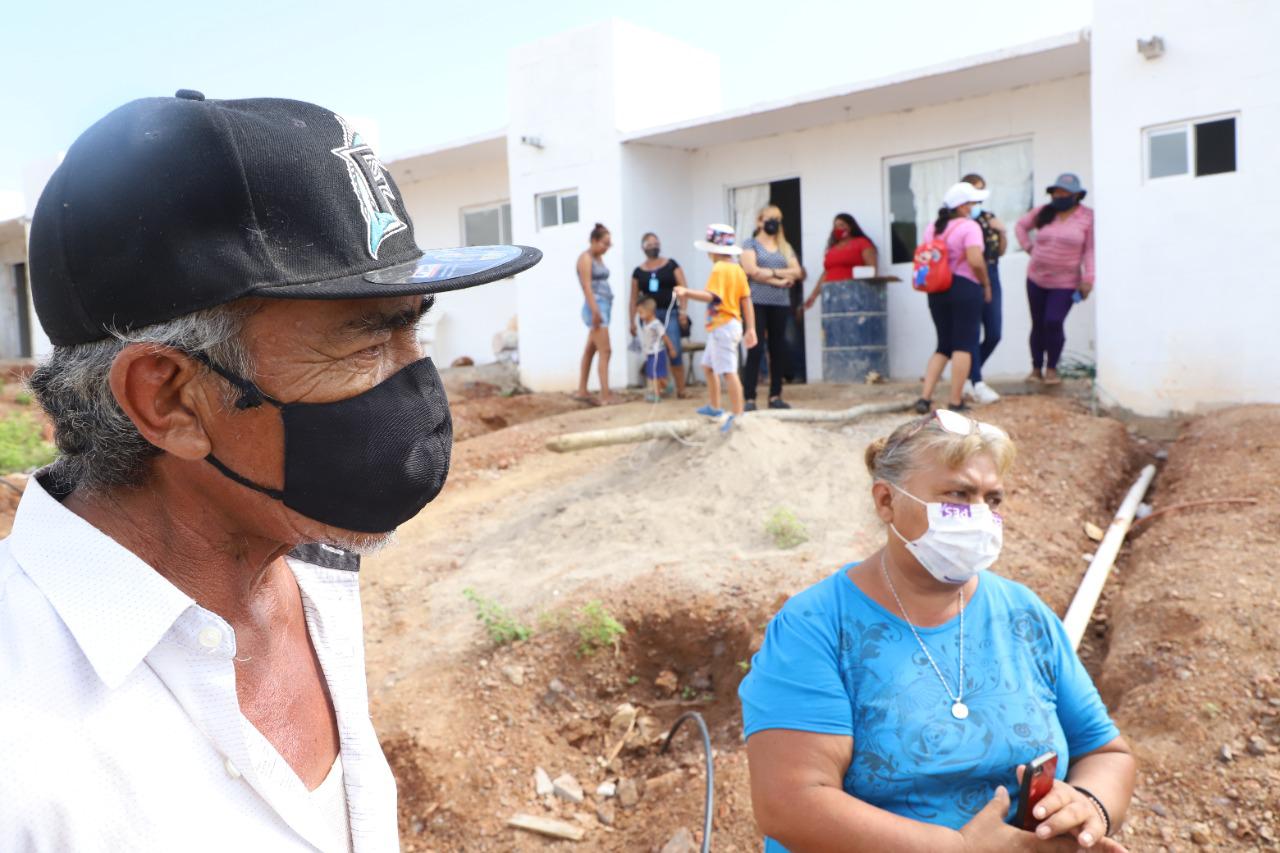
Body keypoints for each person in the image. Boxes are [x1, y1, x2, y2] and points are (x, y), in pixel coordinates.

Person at [0, 91, 541, 848]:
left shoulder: (310, 570)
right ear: (169, 398)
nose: (418, 390)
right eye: (364, 343)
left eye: (414, 330)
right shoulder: (20, 741)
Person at [739, 409, 1136, 853]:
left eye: (993, 499)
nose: (980, 515)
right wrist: (958, 849)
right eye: (959, 495)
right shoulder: (815, 628)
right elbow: (790, 804)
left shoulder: (1023, 614)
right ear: (886, 500)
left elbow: (1105, 754)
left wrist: (1088, 808)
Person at [915, 182, 993, 414]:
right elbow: (975, 260)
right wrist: (986, 283)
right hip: (964, 287)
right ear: (961, 206)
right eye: (972, 202)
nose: (975, 206)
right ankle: (955, 401)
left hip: (936, 288)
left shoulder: (932, 228)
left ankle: (924, 398)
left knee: (943, 345)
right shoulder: (970, 227)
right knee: (964, 344)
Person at [675, 224, 758, 432]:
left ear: (713, 251)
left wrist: (686, 292)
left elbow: (711, 296)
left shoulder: (720, 269)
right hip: (729, 325)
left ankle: (738, 414)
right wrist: (751, 328)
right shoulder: (737, 269)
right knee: (708, 366)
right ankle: (715, 406)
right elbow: (746, 299)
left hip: (723, 325)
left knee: (728, 371)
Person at [1015, 173, 1095, 387]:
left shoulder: (1087, 217)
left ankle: (1052, 367)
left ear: (1077, 195)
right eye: (1056, 192)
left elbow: (1090, 250)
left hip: (1066, 282)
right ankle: (1035, 369)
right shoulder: (1043, 212)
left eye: (1064, 193)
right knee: (1038, 323)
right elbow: (1021, 226)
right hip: (1036, 278)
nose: (1059, 196)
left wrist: (1089, 279)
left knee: (1053, 321)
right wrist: (1029, 247)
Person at [740, 204, 803, 411]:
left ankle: (775, 395)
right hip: (755, 301)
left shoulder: (784, 246)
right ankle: (749, 397)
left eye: (777, 218)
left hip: (780, 303)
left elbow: (797, 272)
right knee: (755, 348)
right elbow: (751, 270)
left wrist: (768, 273)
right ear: (759, 221)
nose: (773, 222)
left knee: (779, 349)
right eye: (769, 218)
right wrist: (779, 275)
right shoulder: (750, 244)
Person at [959, 174, 1008, 405]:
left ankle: (968, 377)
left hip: (991, 271)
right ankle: (976, 381)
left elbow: (1000, 252)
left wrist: (1002, 231)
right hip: (970, 276)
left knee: (994, 333)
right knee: (971, 333)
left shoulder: (989, 218)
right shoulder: (959, 222)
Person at [630, 232, 691, 398]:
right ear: (643, 248)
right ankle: (662, 387)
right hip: (648, 317)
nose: (653, 247)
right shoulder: (638, 272)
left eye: (656, 243)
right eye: (649, 244)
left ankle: (681, 389)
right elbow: (633, 297)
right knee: (654, 352)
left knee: (674, 350)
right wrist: (632, 321)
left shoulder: (671, 265)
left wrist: (683, 311)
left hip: (670, 313)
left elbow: (683, 288)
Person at [576, 223, 619, 404]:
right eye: (605, 243)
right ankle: (605, 395)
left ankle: (582, 390)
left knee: (590, 350)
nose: (607, 248)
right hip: (596, 307)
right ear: (594, 240)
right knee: (606, 350)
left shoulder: (598, 258)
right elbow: (586, 286)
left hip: (603, 306)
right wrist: (595, 311)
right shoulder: (585, 258)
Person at [802, 213, 878, 313]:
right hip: (831, 296)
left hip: (854, 296)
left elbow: (872, 270)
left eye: (842, 225)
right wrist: (813, 296)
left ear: (850, 226)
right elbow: (826, 273)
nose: (838, 228)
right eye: (835, 226)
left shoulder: (862, 243)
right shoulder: (832, 249)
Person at [636, 296, 676, 402]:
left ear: (649, 311)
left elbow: (665, 337)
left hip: (658, 352)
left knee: (656, 375)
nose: (640, 316)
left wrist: (671, 349)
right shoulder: (646, 324)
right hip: (650, 353)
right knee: (654, 374)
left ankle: (656, 395)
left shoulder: (656, 324)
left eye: (641, 312)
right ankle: (667, 386)